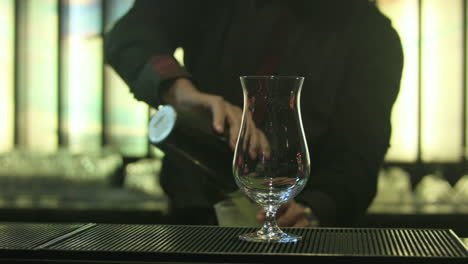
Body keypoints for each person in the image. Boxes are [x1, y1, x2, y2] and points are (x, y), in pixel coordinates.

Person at [104, 0, 403, 227]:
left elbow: (359, 156)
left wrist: (312, 209)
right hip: (191, 217)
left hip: (303, 236)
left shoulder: (372, 36)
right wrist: (181, 92)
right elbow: (130, 35)